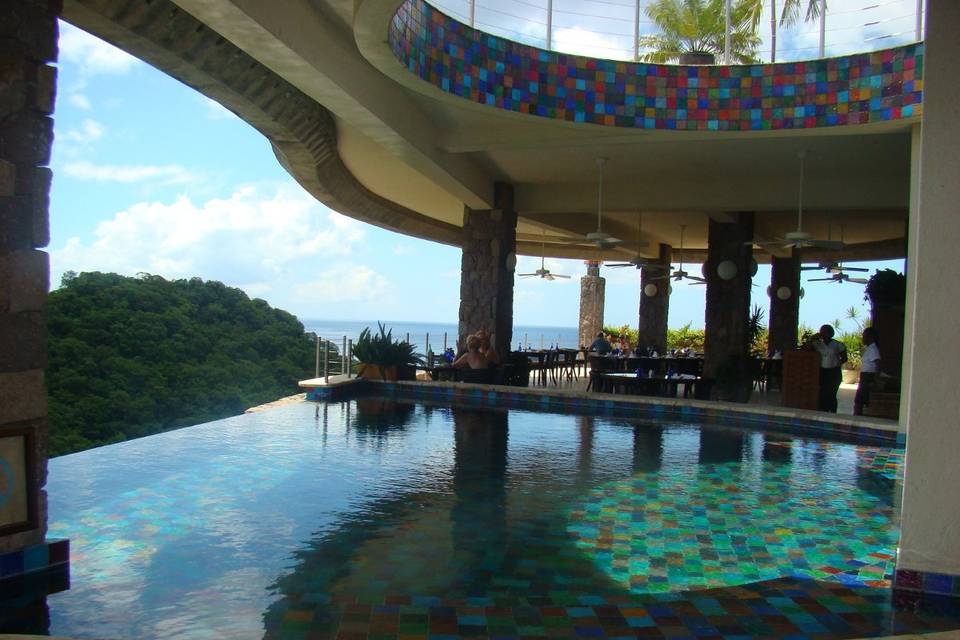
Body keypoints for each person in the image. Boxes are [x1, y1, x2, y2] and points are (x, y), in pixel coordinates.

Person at [811, 324, 847, 413]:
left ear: (831, 333)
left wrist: (836, 363)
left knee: (832, 393)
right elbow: (807, 349)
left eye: (825, 332)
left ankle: (832, 411)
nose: (823, 334)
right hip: (822, 372)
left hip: (834, 372)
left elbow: (844, 358)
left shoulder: (838, 344)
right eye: (821, 332)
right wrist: (812, 339)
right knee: (822, 392)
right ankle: (823, 410)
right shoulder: (817, 344)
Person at [854, 327, 881, 416]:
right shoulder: (869, 348)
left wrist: (876, 379)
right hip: (864, 376)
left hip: (868, 377)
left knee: (861, 400)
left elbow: (878, 363)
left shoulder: (873, 349)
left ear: (871, 337)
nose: (863, 338)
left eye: (865, 336)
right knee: (859, 399)